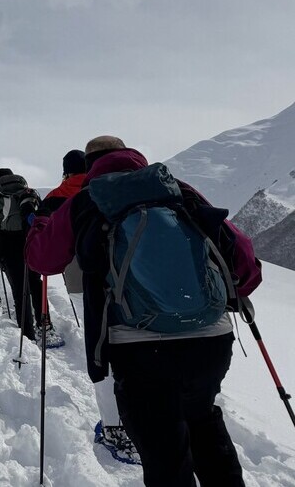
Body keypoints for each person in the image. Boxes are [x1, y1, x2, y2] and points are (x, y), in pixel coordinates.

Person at [26, 136, 263, 486]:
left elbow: (41, 260)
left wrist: (42, 223)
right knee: (203, 422)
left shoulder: (87, 200)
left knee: (163, 449)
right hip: (210, 338)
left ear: (91, 166)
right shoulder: (178, 191)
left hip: (138, 346)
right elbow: (243, 258)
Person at [37, 149, 138, 464]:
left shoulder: (61, 196)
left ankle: (115, 428)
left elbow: (44, 257)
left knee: (102, 352)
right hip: (140, 284)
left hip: (86, 285)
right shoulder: (148, 187)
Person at [0, 168, 63, 348]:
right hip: (31, 245)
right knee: (35, 284)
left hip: (8, 249)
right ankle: (45, 325)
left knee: (19, 289)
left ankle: (27, 335)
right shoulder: (29, 193)